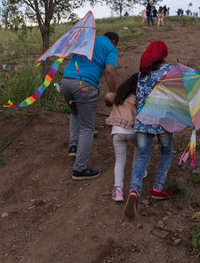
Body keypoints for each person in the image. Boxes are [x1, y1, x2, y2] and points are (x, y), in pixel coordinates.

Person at [124, 41, 174, 218]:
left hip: (143, 120)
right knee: (167, 152)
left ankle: (134, 191)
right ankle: (157, 188)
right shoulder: (169, 71)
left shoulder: (141, 75)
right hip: (163, 120)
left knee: (143, 155)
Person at [61, 32, 118, 180]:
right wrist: (113, 92)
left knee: (75, 113)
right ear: (114, 41)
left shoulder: (89, 40)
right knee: (87, 127)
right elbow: (110, 70)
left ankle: (74, 146)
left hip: (66, 81)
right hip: (84, 85)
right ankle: (80, 168)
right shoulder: (111, 48)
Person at [104, 73, 143, 201]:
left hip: (117, 131)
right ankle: (137, 176)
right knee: (139, 153)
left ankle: (118, 191)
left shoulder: (118, 96)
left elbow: (107, 97)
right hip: (133, 130)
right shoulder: (137, 99)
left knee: (119, 160)